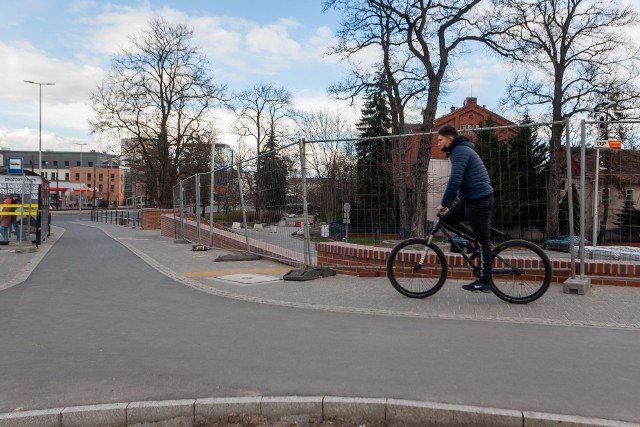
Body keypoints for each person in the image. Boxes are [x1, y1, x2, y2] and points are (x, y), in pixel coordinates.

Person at [435, 125, 494, 293]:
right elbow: (459, 182)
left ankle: (484, 281)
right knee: (447, 221)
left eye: (440, 140)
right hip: (470, 199)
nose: (438, 144)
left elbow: (455, 180)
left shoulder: (460, 151)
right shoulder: (459, 151)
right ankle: (477, 241)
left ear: (450, 139)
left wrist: (444, 204)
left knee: (483, 242)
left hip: (480, 200)